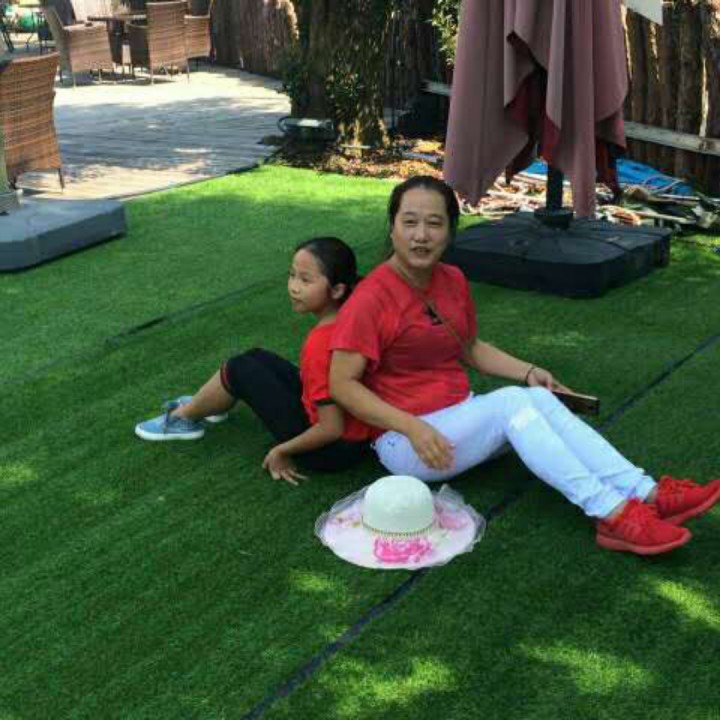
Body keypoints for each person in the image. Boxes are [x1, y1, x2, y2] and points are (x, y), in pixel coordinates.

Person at [328, 175, 720, 555]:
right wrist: (411, 427)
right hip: (406, 442)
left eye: (434, 223)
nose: (421, 235)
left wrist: (530, 371)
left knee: (538, 397)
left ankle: (647, 492)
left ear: (450, 231)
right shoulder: (371, 298)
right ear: (393, 227)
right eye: (409, 222)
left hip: (458, 420)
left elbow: (469, 348)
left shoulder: (451, 279)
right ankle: (612, 513)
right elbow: (342, 384)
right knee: (513, 403)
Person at [135, 237, 370, 485]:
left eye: (305, 280)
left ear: (337, 290)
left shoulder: (320, 343)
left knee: (240, 368)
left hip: (332, 451)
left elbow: (331, 428)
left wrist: (280, 451)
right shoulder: (354, 315)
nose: (293, 287)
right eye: (292, 275)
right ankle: (209, 404)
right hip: (357, 434)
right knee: (257, 357)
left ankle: (183, 417)